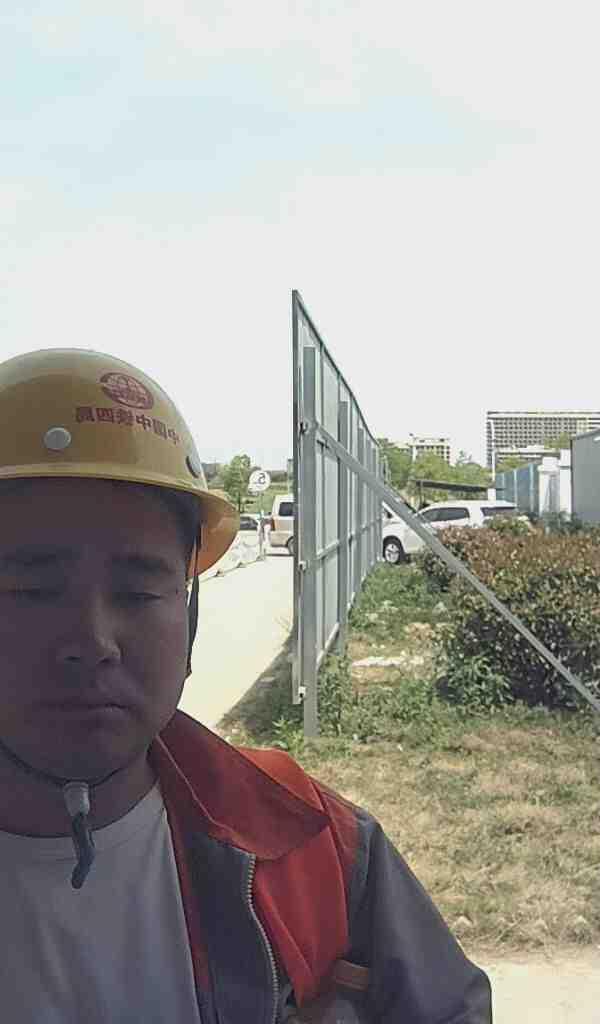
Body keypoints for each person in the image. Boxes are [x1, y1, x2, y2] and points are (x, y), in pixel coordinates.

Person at [0, 348, 492, 1023]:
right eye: (31, 590)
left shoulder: (314, 847)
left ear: (189, 614)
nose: (92, 642)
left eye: (138, 591)